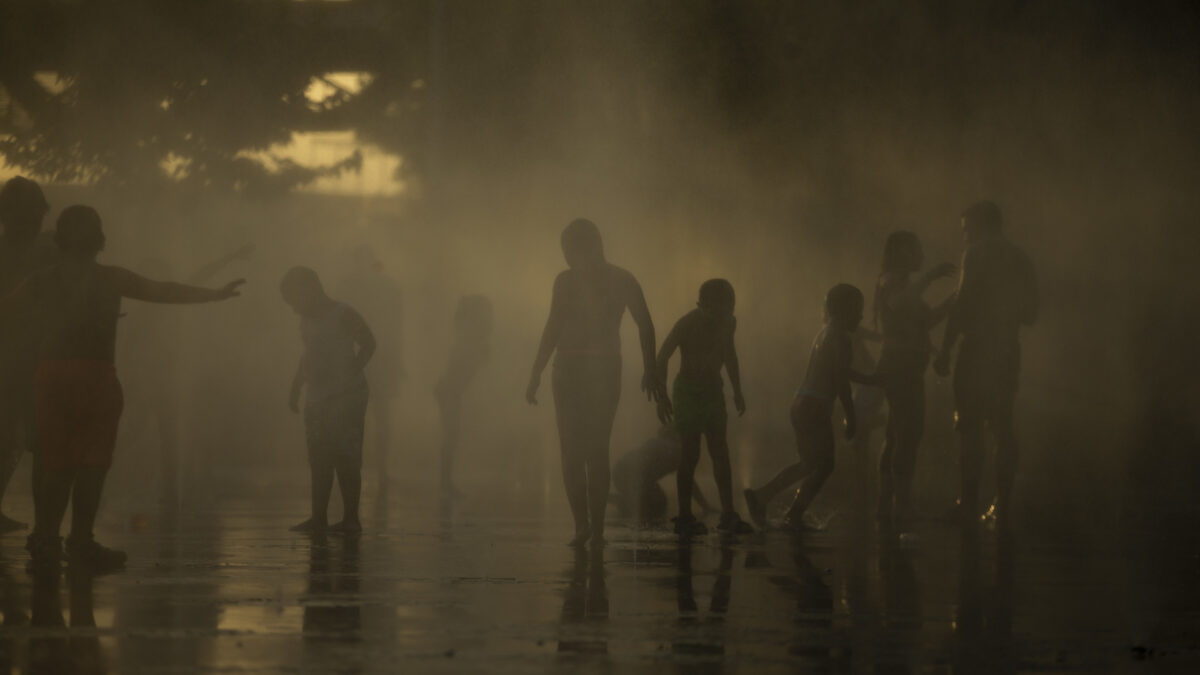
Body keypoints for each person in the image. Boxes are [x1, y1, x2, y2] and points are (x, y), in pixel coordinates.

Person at [5, 205, 244, 571]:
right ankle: (81, 541)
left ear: (60, 238)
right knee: (91, 464)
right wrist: (213, 295)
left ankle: (47, 540)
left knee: (55, 462)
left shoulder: (41, 282)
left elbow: (7, 314)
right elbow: (163, 291)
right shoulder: (110, 278)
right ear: (100, 239)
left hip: (52, 376)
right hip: (95, 376)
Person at [526, 218, 662, 548]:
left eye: (570, 250)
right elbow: (553, 326)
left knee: (593, 448)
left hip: (596, 368)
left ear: (590, 246)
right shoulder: (568, 281)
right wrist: (536, 371)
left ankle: (594, 528)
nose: (568, 258)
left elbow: (645, 323)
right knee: (575, 449)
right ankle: (584, 526)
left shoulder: (620, 279)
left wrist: (651, 367)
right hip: (572, 366)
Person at [933, 201, 1038, 528]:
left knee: (970, 428)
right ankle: (1001, 505)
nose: (964, 236)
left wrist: (946, 348)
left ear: (979, 225)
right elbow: (1032, 313)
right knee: (1003, 427)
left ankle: (968, 503)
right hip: (1007, 350)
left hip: (977, 351)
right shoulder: (1021, 258)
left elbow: (962, 303)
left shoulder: (977, 253)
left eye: (966, 228)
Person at [744, 284, 873, 533]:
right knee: (822, 464)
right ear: (844, 310)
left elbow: (840, 372)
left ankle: (768, 500)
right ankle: (784, 509)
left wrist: (872, 379)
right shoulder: (842, 338)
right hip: (815, 406)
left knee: (812, 463)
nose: (861, 316)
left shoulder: (826, 332)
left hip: (803, 402)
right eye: (858, 310)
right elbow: (840, 380)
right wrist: (851, 416)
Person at [282, 266, 376, 535]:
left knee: (346, 455)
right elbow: (308, 354)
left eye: (294, 301)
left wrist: (351, 371)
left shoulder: (343, 313)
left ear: (309, 290)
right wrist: (296, 384)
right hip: (318, 396)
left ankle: (351, 520)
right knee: (319, 456)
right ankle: (318, 518)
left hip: (347, 396)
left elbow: (369, 343)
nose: (294, 309)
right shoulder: (307, 319)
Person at [656, 279, 753, 535]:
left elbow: (730, 355)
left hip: (712, 389)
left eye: (727, 311)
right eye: (716, 311)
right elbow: (663, 355)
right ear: (702, 306)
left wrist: (737, 390)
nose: (720, 317)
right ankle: (685, 516)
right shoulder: (687, 323)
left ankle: (729, 513)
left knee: (720, 451)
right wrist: (661, 395)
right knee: (690, 453)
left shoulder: (729, 323)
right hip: (687, 391)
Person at [873, 231, 956, 531]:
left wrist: (957, 296)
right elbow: (900, 304)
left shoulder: (902, 283)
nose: (921, 254)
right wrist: (932, 276)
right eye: (916, 249)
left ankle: (888, 504)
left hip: (906, 367)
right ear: (902, 252)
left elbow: (927, 320)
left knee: (898, 434)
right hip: (900, 368)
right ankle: (901, 506)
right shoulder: (891, 281)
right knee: (908, 433)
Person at [0, 177, 58, 533]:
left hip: (34, 357)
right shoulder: (43, 252)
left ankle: (44, 526)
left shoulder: (46, 252)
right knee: (28, 439)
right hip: (23, 358)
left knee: (29, 439)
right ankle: (44, 528)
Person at [337, 246, 404, 491]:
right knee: (351, 418)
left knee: (380, 418)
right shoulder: (347, 288)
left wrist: (398, 359)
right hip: (354, 359)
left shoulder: (387, 289)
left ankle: (382, 471)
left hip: (380, 359)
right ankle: (351, 469)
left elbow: (395, 326)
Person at [435, 294, 492, 497]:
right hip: (449, 391)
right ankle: (445, 482)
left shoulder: (470, 342)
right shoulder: (466, 343)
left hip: (451, 392)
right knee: (451, 436)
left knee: (452, 436)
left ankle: (446, 481)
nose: (490, 323)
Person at [610, 424, 713, 522]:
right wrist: (705, 506)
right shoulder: (673, 450)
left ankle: (625, 500)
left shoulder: (657, 443)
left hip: (620, 472)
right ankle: (624, 501)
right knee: (658, 504)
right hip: (628, 476)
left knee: (657, 501)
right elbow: (688, 480)